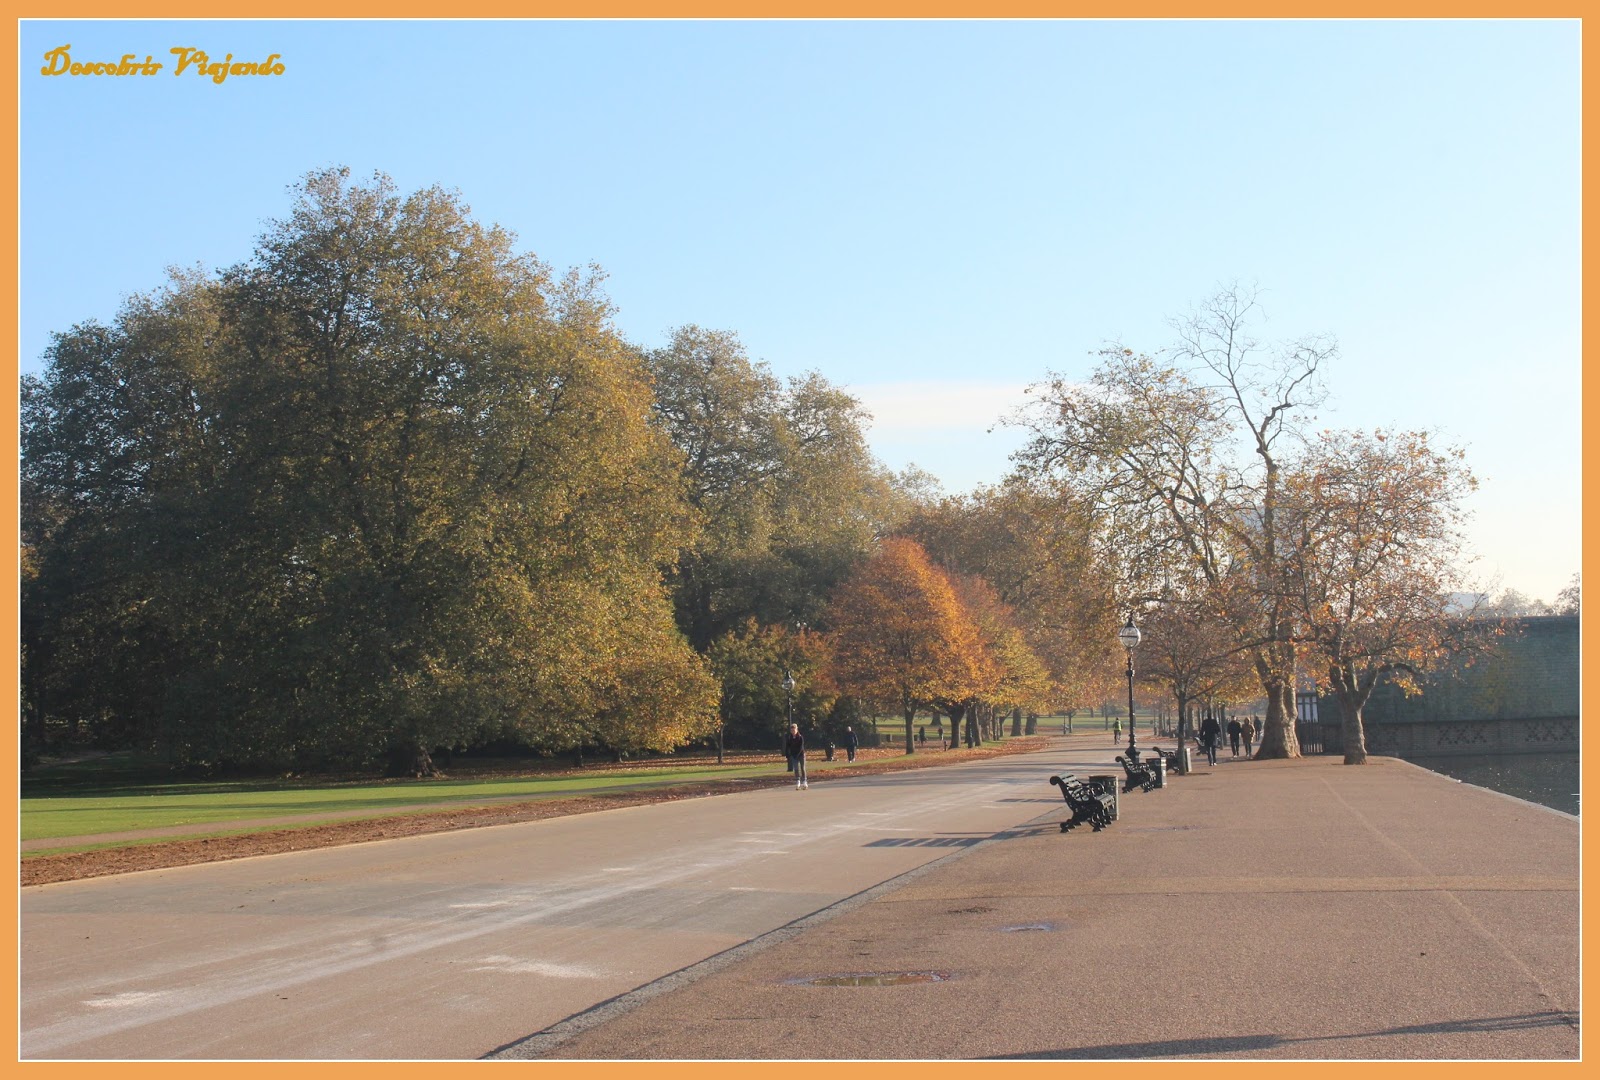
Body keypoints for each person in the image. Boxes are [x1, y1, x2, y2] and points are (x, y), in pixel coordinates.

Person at [785, 722, 808, 790]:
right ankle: (798, 781)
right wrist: (787, 754)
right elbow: (788, 746)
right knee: (796, 768)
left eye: (794, 730)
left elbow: (801, 747)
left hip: (801, 754)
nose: (793, 732)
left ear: (797, 729)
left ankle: (804, 781)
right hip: (794, 755)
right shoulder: (790, 738)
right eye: (792, 730)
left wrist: (797, 755)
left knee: (802, 767)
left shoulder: (800, 737)